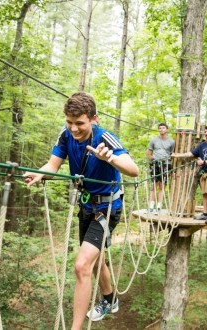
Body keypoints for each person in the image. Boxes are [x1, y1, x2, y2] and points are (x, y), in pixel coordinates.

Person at [23, 92, 139, 330]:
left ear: (93, 119)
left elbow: (133, 169)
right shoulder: (65, 136)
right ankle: (110, 299)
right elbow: (53, 164)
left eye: (79, 123)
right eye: (69, 122)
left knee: (82, 265)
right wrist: (40, 172)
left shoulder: (106, 137)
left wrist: (111, 159)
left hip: (107, 208)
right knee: (95, 261)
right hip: (86, 206)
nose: (74, 129)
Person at [171, 125, 207, 224]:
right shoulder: (202, 145)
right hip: (203, 173)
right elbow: (190, 154)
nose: (206, 133)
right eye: (205, 131)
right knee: (204, 194)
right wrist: (177, 155)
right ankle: (205, 213)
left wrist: (203, 162)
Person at [147, 123, 175, 214]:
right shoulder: (154, 140)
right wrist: (152, 159)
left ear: (167, 129)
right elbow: (149, 152)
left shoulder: (171, 141)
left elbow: (172, 154)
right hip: (155, 163)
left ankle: (159, 206)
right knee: (154, 184)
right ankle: (151, 206)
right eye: (160, 128)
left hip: (166, 163)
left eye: (163, 128)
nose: (161, 129)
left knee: (162, 185)